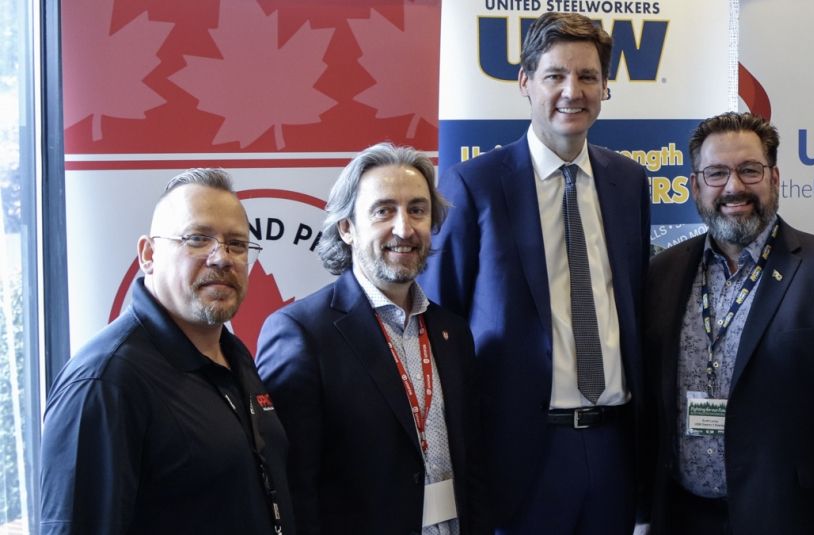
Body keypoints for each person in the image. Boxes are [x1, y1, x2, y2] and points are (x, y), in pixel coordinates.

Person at [418, 12, 652, 534]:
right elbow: (442, 327)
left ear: (605, 86)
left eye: (588, 77)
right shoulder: (472, 185)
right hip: (520, 454)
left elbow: (633, 303)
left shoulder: (629, 183)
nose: (573, 91)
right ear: (525, 82)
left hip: (615, 446)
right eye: (555, 76)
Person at [645, 111, 814, 535]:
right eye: (716, 173)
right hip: (680, 517)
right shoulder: (662, 273)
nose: (733, 187)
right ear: (694, 185)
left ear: (775, 178)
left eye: (749, 170)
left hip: (788, 520)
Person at [40, 169, 295, 534]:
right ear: (148, 254)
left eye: (237, 244)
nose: (221, 257)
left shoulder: (235, 355)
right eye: (197, 238)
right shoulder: (105, 381)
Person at [256, 143, 483, 535]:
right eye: (383, 211)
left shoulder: (453, 332)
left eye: (417, 209)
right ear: (347, 228)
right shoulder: (301, 333)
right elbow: (294, 485)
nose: (404, 228)